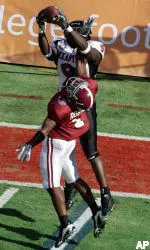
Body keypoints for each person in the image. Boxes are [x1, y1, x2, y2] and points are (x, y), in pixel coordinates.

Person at [36, 7, 114, 216]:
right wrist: (41, 30)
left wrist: (68, 28)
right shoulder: (61, 44)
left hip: (84, 104)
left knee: (90, 151)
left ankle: (106, 193)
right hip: (64, 102)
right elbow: (46, 52)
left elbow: (87, 51)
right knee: (65, 149)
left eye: (76, 33)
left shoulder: (94, 46)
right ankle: (71, 187)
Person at [17, 77, 105, 248]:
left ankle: (65, 225)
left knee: (51, 185)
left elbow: (46, 128)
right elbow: (88, 82)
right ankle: (96, 210)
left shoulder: (60, 106)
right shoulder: (91, 87)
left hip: (56, 144)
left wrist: (30, 144)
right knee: (73, 177)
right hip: (72, 139)